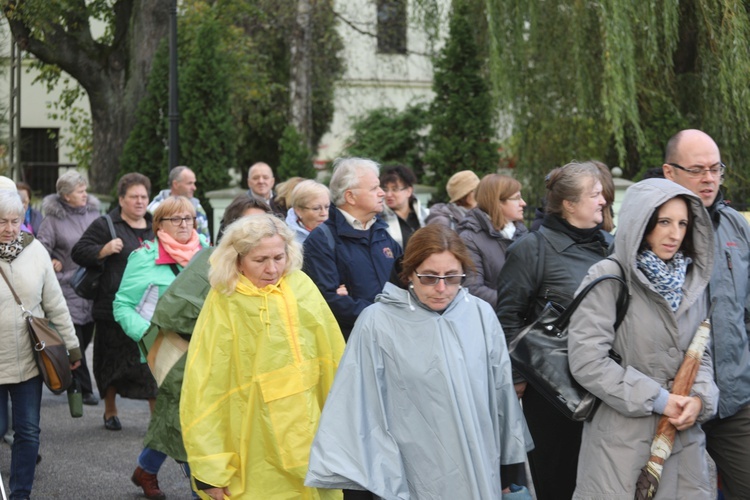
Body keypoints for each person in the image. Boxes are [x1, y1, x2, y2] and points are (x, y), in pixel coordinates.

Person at [306, 224, 532, 499]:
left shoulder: (480, 315)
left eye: (451, 277)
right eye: (428, 277)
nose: (441, 288)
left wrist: (510, 471)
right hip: (412, 472)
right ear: (409, 273)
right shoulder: (378, 322)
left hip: (479, 465)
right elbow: (357, 407)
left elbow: (501, 397)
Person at [568, 178, 718, 498]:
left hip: (682, 441)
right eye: (664, 222)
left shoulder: (692, 281)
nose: (675, 234)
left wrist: (700, 400)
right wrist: (659, 399)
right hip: (621, 444)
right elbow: (587, 360)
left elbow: (701, 352)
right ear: (642, 222)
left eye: (682, 223)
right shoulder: (608, 276)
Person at [180, 214, 345, 500]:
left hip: (311, 440)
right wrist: (210, 468)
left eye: (279, 257)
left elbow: (335, 362)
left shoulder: (302, 287)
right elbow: (205, 388)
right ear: (237, 259)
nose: (272, 269)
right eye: (260, 260)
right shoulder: (225, 301)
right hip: (253, 444)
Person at [496, 161, 609, 500]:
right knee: (558, 481)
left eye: (602, 193)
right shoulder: (532, 249)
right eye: (595, 194)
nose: (603, 200)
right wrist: (518, 378)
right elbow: (507, 316)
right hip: (552, 394)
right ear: (569, 204)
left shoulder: (611, 246)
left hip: (607, 387)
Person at [662, 129, 750, 497]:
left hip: (735, 396)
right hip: (675, 400)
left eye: (716, 169)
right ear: (670, 173)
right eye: (698, 169)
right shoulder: (652, 230)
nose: (709, 179)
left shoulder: (735, 225)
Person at [113, 196, 208, 499]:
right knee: (189, 419)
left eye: (189, 218)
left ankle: (146, 468)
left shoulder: (208, 255)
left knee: (175, 412)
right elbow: (123, 305)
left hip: (205, 347)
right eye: (176, 219)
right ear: (159, 225)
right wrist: (150, 335)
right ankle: (201, 488)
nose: (184, 225)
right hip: (165, 351)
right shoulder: (144, 258)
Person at [0, 189, 82, 499]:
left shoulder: (35, 252)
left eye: (15, 221)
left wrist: (72, 348)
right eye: (1, 222)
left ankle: (21, 493)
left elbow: (55, 304)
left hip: (30, 360)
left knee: (29, 433)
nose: (9, 228)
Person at [71, 172, 156, 432]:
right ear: (121, 199)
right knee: (110, 361)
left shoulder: (156, 226)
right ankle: (110, 411)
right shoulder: (106, 224)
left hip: (149, 309)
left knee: (149, 365)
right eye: (134, 197)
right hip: (112, 308)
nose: (140, 201)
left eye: (144, 196)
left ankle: (157, 419)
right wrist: (102, 250)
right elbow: (78, 252)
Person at [303, 157, 402, 339]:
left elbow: (406, 280)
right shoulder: (321, 240)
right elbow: (329, 300)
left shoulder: (382, 233)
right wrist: (384, 316)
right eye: (374, 188)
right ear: (350, 196)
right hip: (352, 344)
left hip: (393, 338)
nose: (382, 193)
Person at [37, 170, 101, 406]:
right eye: (79, 191)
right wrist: (53, 261)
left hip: (91, 285)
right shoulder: (52, 220)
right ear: (65, 196)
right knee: (74, 339)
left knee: (85, 336)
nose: (85, 194)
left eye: (85, 190)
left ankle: (63, 376)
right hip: (66, 286)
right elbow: (40, 249)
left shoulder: (94, 214)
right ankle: (81, 387)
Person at [458, 174, 528, 308]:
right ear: (497, 202)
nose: (523, 203)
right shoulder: (469, 238)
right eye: (517, 198)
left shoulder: (523, 233)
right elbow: (472, 289)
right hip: (494, 321)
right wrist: (519, 303)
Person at [147, 166, 210, 242]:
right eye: (189, 183)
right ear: (176, 184)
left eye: (188, 218)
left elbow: (206, 241)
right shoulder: (155, 208)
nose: (194, 187)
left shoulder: (198, 208)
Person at [380, 164, 428, 249]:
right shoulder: (379, 219)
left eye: (395, 189)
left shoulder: (426, 216)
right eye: (385, 189)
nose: (388, 194)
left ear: (409, 191)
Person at [285, 179, 331, 244]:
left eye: (327, 207)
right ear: (298, 211)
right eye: (316, 208)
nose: (324, 213)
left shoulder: (337, 232)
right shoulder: (288, 240)